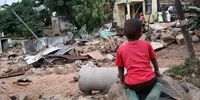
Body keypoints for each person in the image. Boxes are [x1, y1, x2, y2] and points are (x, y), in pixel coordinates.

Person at [115, 19, 161, 99]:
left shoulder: (121, 49)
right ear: (140, 34)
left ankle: (132, 95)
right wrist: (156, 70)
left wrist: (122, 79)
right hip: (150, 81)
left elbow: (120, 67)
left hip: (133, 85)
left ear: (124, 34)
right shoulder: (146, 44)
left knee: (128, 86)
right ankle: (153, 95)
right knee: (158, 85)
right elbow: (153, 59)